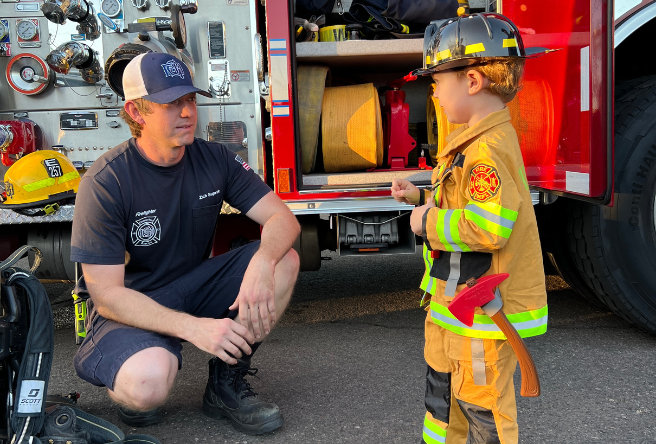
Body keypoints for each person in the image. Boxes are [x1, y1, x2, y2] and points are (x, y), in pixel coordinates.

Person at [70, 52, 300, 436]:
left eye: (190, 100)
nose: (188, 112)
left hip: (190, 285)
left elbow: (283, 220)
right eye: (172, 103)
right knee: (147, 386)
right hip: (129, 304)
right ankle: (127, 375)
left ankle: (226, 381)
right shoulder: (105, 182)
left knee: (283, 260)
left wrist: (262, 262)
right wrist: (194, 329)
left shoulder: (215, 158)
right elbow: (108, 296)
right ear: (137, 112)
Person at [391, 13, 556, 444]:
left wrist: (425, 220)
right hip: (454, 310)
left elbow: (486, 228)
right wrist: (419, 199)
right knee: (443, 403)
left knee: (483, 411)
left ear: (473, 80)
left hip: (480, 318)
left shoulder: (486, 151)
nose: (434, 91)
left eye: (439, 80)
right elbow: (463, 203)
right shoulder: (471, 141)